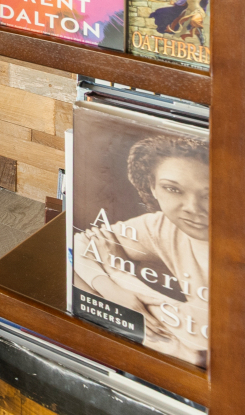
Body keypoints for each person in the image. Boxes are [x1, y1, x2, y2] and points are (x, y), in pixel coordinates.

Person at [72, 133, 210, 365]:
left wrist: (118, 273)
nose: (192, 208)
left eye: (208, 194)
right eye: (172, 189)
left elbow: (200, 347)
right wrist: (115, 293)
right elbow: (81, 243)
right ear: (152, 188)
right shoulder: (163, 225)